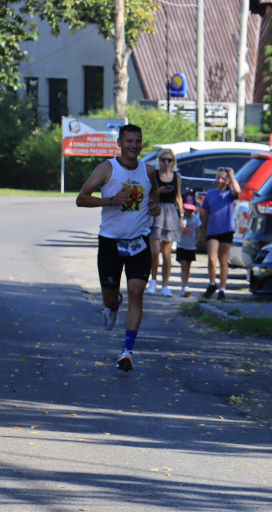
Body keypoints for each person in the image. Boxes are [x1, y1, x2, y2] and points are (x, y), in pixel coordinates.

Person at [75, 123, 161, 372]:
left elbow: (154, 191)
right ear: (120, 144)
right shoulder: (106, 168)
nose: (133, 145)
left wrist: (153, 204)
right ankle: (112, 306)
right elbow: (81, 198)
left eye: (137, 141)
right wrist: (110, 201)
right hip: (111, 241)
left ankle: (127, 352)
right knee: (110, 296)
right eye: (129, 141)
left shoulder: (149, 170)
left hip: (139, 242)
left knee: (137, 293)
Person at [197, 167, 240, 301]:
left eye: (223, 178)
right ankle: (212, 283)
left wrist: (232, 176)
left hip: (226, 229)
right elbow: (204, 213)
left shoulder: (229, 194)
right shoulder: (210, 194)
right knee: (211, 258)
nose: (220, 180)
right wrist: (201, 232)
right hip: (212, 230)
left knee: (223, 260)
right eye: (218, 178)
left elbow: (238, 191)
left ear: (227, 181)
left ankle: (222, 289)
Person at [147, 148, 183, 296]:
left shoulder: (177, 176)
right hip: (156, 212)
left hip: (170, 213)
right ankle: (153, 280)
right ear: (159, 160)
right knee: (155, 252)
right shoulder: (154, 175)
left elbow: (178, 197)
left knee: (167, 254)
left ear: (173, 161)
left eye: (169, 160)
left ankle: (165, 285)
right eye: (164, 160)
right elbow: (147, 194)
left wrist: (181, 217)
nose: (167, 163)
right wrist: (159, 191)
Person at [176, 194, 200, 297]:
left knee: (188, 267)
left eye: (191, 210)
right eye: (187, 209)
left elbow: (199, 231)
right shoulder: (180, 219)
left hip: (191, 247)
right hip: (181, 245)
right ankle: (184, 286)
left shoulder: (196, 219)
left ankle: (186, 284)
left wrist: (198, 240)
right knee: (184, 266)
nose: (189, 212)